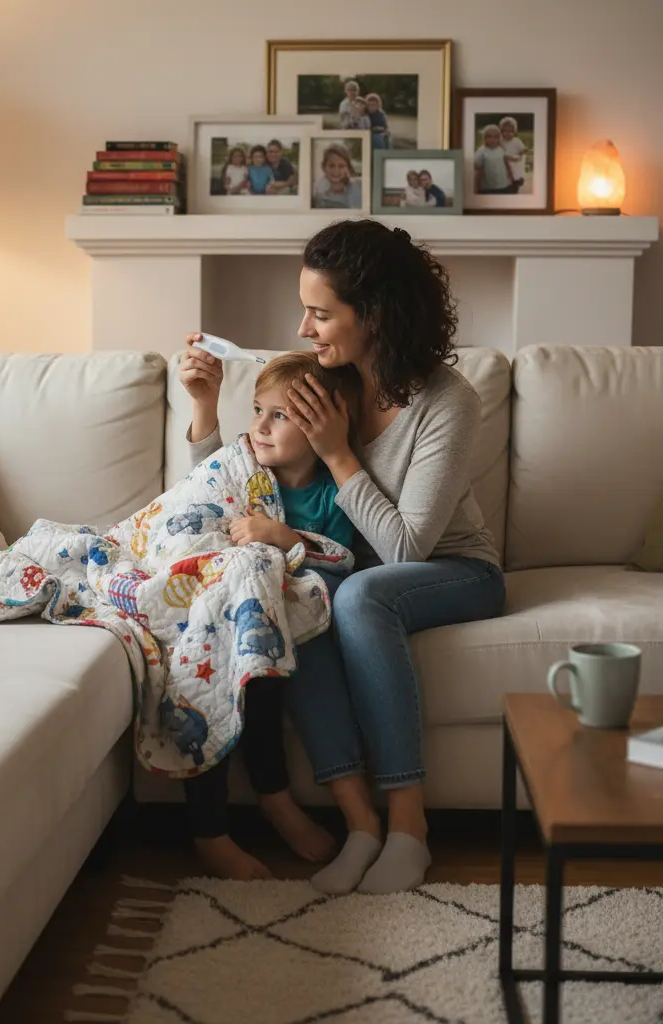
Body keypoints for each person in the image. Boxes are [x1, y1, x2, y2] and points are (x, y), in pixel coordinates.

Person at [178, 219, 505, 893]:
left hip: (457, 570)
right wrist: (206, 409)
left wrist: (336, 452)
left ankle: (409, 830)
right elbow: (237, 486)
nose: (304, 329)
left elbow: (405, 547)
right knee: (307, 599)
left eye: (321, 313)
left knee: (357, 593)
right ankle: (361, 825)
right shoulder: (331, 380)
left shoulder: (447, 401)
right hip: (357, 571)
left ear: (376, 316)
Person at [179, 351, 359, 880]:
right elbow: (203, 493)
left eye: (278, 415)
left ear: (322, 427)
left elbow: (345, 559)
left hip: (263, 618)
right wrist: (204, 404)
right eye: (258, 409)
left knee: (262, 666)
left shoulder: (334, 493)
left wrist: (288, 539)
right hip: (208, 596)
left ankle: (274, 796)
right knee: (204, 663)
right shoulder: (243, 463)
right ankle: (210, 832)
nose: (258, 425)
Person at [312, 143, 362, 209]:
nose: (336, 171)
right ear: (323, 167)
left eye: (341, 166)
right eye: (331, 166)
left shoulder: (359, 187)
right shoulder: (318, 195)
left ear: (348, 168)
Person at [474, 124, 513, 194]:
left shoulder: (501, 149)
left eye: (495, 137)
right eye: (489, 137)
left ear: (499, 138)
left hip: (504, 185)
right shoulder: (481, 151)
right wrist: (477, 187)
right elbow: (478, 170)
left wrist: (511, 179)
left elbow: (507, 165)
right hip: (487, 188)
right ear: (484, 138)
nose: (492, 140)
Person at [499, 117, 527, 193]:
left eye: (510, 131)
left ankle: (517, 182)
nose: (507, 133)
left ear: (514, 132)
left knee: (515, 173)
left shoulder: (516, 141)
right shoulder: (501, 141)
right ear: (501, 131)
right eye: (504, 131)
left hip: (514, 160)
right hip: (504, 161)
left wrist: (518, 157)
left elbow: (523, 150)